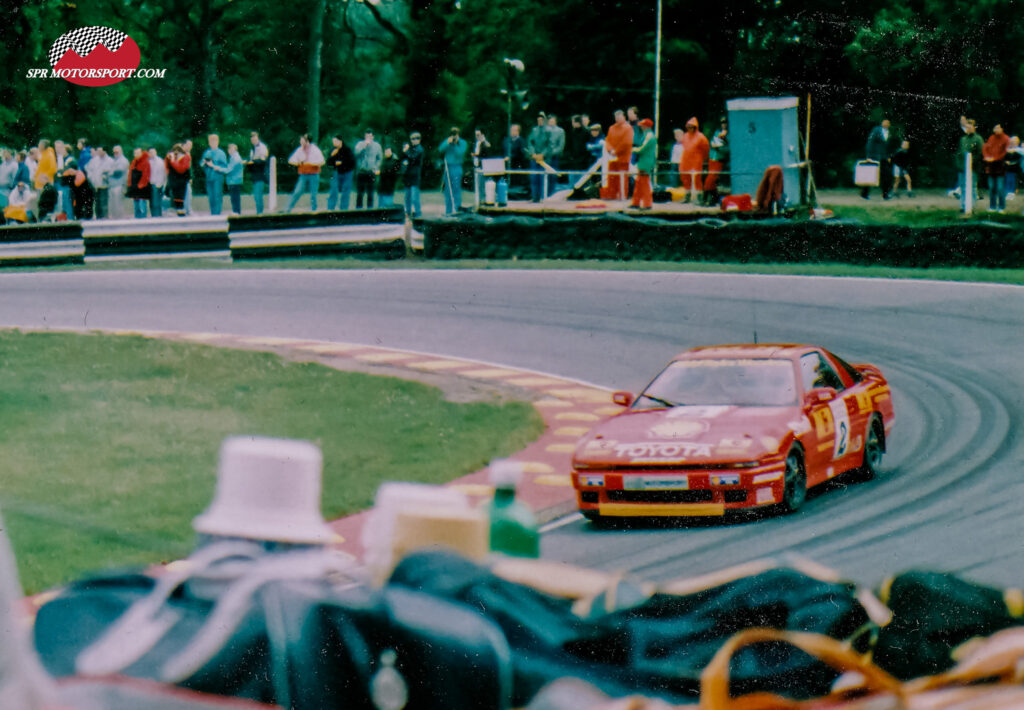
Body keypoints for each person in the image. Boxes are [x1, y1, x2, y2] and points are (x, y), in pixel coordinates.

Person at [285, 133, 324, 212]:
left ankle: (313, 210)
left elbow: (322, 161)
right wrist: (300, 162)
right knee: (297, 191)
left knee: (313, 194)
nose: (300, 141)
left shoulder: (315, 149)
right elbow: (291, 160)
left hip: (313, 174)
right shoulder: (299, 150)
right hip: (303, 174)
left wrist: (311, 163)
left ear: (307, 141)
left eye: (302, 140)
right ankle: (287, 209)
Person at [601, 109, 633, 200]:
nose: (618, 119)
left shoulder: (628, 128)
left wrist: (616, 151)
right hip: (611, 157)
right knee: (612, 178)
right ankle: (612, 196)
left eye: (620, 116)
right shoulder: (611, 128)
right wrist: (610, 150)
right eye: (616, 117)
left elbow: (626, 142)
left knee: (623, 178)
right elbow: (607, 140)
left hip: (623, 157)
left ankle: (622, 196)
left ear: (624, 117)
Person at [860, 118, 893, 200]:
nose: (886, 124)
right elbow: (870, 142)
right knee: (870, 175)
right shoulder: (876, 130)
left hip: (884, 157)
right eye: (884, 122)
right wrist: (868, 156)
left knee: (886, 176)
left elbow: (887, 147)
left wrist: (888, 156)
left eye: (888, 122)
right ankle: (864, 193)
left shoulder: (889, 133)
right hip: (873, 157)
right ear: (882, 122)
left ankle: (885, 195)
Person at [957, 119, 984, 213]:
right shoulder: (963, 139)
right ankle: (963, 205)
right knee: (963, 186)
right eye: (967, 127)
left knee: (972, 187)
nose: (968, 129)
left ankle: (971, 206)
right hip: (962, 167)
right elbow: (959, 153)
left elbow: (980, 153)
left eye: (970, 127)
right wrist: (960, 164)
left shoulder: (978, 139)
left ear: (974, 127)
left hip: (973, 167)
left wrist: (971, 163)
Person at [679, 117, 710, 203]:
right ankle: (687, 197)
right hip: (685, 160)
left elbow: (706, 149)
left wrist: (704, 159)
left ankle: (699, 197)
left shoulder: (701, 137)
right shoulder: (685, 136)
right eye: (688, 127)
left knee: (697, 179)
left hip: (696, 161)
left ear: (695, 127)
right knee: (685, 178)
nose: (690, 128)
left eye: (691, 126)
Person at [438, 126, 467, 214]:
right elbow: (440, 149)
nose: (454, 136)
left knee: (456, 189)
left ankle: (457, 209)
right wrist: (447, 143)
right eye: (453, 134)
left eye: (456, 134)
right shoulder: (448, 141)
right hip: (448, 167)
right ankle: (448, 211)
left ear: (458, 134)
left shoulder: (462, 142)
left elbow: (460, 153)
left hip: (457, 167)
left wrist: (455, 144)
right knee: (447, 190)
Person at [630, 118, 656, 210]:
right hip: (643, 162)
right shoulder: (647, 135)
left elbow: (642, 149)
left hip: (645, 163)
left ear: (646, 126)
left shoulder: (649, 136)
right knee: (639, 183)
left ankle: (647, 204)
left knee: (644, 183)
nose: (640, 127)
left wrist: (632, 149)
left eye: (642, 126)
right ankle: (636, 202)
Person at [983, 123, 1009, 213]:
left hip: (1000, 166)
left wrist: (995, 158)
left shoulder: (1006, 139)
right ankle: (992, 206)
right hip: (991, 166)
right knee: (991, 187)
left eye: (998, 128)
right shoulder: (991, 138)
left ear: (1002, 129)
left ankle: (1002, 207)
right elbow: (985, 148)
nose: (996, 130)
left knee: (1000, 187)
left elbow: (1005, 152)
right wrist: (986, 156)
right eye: (995, 128)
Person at [526, 112, 552, 202]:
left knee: (543, 178)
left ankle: (543, 197)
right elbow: (530, 142)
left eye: (541, 120)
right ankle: (534, 197)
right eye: (538, 120)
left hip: (544, 158)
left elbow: (549, 145)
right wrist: (533, 153)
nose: (540, 122)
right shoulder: (534, 130)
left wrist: (542, 154)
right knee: (534, 178)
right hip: (535, 158)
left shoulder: (549, 131)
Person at [354, 128, 382, 208]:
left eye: (370, 137)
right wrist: (364, 146)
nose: (368, 138)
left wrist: (376, 167)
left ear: (373, 137)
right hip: (361, 171)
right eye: (366, 137)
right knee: (360, 193)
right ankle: (358, 211)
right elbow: (356, 153)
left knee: (370, 193)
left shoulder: (377, 146)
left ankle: (370, 211)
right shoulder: (360, 144)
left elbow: (379, 158)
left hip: (371, 171)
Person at [326, 134, 355, 211]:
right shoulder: (333, 150)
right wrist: (332, 156)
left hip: (347, 172)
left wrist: (342, 163)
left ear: (340, 141)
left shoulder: (347, 149)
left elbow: (352, 162)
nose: (334, 143)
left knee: (345, 191)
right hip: (337, 172)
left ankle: (343, 209)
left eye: (335, 141)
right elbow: (328, 163)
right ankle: (330, 209)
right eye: (333, 141)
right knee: (333, 190)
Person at [704, 117, 729, 205]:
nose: (724, 124)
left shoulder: (729, 134)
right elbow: (712, 143)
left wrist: (718, 147)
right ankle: (713, 199)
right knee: (711, 179)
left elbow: (728, 149)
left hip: (719, 159)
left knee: (711, 178)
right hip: (712, 158)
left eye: (725, 122)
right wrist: (714, 145)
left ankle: (706, 198)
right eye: (722, 122)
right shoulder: (717, 132)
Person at [200, 133, 227, 216]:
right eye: (210, 141)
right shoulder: (207, 152)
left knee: (217, 196)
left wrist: (214, 165)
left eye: (214, 141)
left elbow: (225, 167)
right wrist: (204, 163)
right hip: (209, 178)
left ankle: (217, 214)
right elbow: (201, 164)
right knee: (211, 197)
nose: (212, 142)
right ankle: (213, 214)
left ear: (217, 142)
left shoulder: (221, 153)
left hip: (217, 177)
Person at [400, 132, 424, 218]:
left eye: (416, 138)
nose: (414, 140)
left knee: (414, 197)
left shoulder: (420, 149)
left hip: (415, 176)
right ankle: (408, 213)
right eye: (412, 139)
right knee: (407, 197)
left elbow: (412, 157)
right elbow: (403, 158)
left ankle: (418, 213)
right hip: (408, 176)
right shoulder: (410, 149)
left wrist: (406, 151)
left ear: (419, 140)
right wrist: (404, 152)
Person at [246, 131, 270, 215]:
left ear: (258, 138)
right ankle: (259, 211)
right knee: (257, 195)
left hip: (260, 174)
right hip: (255, 175)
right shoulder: (252, 149)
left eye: (254, 138)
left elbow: (263, 160)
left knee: (258, 195)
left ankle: (260, 212)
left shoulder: (262, 147)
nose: (253, 140)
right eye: (252, 139)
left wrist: (254, 161)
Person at [165, 143, 192, 216]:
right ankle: (178, 213)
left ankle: (183, 213)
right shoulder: (171, 157)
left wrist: (173, 160)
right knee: (175, 199)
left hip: (181, 182)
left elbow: (181, 169)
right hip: (174, 182)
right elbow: (167, 168)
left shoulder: (185, 157)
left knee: (182, 200)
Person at [85, 146, 110, 219]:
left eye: (100, 151)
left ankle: (104, 218)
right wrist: (91, 178)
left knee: (103, 203)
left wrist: (106, 177)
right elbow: (88, 169)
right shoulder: (94, 160)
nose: (98, 152)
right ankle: (99, 218)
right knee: (97, 203)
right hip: (95, 185)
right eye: (98, 151)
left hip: (105, 185)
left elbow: (111, 172)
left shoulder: (109, 161)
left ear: (104, 151)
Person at [504, 123, 529, 193]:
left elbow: (522, 153)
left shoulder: (522, 141)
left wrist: (510, 157)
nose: (512, 132)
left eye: (514, 130)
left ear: (518, 131)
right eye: (511, 130)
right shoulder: (506, 140)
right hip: (507, 165)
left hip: (517, 164)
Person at [127, 147, 151, 219]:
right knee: (136, 206)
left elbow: (146, 175)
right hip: (134, 188)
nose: (136, 154)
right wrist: (129, 185)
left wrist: (140, 186)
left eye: (137, 153)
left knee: (142, 206)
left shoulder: (145, 162)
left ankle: (143, 220)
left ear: (141, 153)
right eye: (135, 153)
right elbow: (130, 174)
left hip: (142, 188)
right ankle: (137, 220)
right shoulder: (134, 162)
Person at [472, 128, 494, 203]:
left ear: (482, 135)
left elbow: (489, 148)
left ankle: (484, 200)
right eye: (475, 135)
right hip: (476, 165)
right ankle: (479, 200)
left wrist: (484, 141)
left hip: (483, 166)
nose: (476, 136)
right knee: (478, 185)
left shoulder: (485, 143)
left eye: (478, 135)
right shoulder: (475, 143)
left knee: (483, 184)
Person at [107, 145, 129, 218]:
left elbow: (118, 173)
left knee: (118, 205)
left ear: (121, 151)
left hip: (119, 185)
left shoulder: (123, 160)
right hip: (112, 185)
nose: (115, 153)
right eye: (114, 152)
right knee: (113, 206)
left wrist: (108, 172)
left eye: (117, 152)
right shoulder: (114, 160)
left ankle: (120, 221)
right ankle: (114, 220)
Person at [546, 114, 566, 194]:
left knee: (553, 176)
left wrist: (552, 152)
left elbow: (561, 146)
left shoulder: (560, 131)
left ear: (555, 121)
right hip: (544, 157)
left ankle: (551, 193)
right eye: (549, 121)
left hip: (554, 157)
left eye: (552, 121)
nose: (551, 122)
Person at [224, 143, 244, 215]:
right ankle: (235, 211)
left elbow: (228, 170)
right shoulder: (233, 157)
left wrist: (218, 168)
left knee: (235, 198)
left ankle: (236, 212)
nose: (229, 150)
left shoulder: (235, 158)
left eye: (231, 149)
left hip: (235, 181)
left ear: (235, 149)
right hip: (234, 181)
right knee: (234, 197)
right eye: (229, 149)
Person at [148, 147, 166, 217]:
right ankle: (154, 216)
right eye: (150, 152)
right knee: (152, 203)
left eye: (153, 152)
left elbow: (162, 173)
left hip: (157, 184)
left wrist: (159, 184)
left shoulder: (159, 161)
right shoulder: (148, 161)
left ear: (156, 152)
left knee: (156, 203)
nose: (152, 153)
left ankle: (157, 217)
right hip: (150, 184)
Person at [1006, 135, 1022, 201]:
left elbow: (1019, 158)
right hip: (1008, 168)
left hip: (1016, 168)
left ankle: (1012, 193)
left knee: (1013, 181)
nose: (1013, 142)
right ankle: (1008, 193)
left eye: (1014, 141)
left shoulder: (1019, 149)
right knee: (1008, 180)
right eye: (1012, 141)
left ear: (1017, 142)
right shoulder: (1008, 149)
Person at [182, 139, 195, 215]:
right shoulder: (183, 154)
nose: (190, 146)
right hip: (184, 178)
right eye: (188, 144)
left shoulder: (188, 153)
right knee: (187, 193)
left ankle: (187, 209)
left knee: (188, 193)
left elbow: (190, 168)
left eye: (191, 145)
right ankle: (187, 210)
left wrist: (191, 177)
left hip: (187, 178)